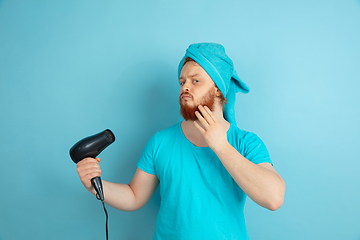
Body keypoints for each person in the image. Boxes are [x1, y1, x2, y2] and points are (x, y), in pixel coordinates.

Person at [77, 43, 286, 239]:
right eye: (182, 81)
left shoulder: (246, 143)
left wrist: (221, 146)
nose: (185, 87)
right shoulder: (160, 142)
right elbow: (134, 196)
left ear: (218, 89)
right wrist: (95, 186)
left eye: (196, 81)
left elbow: (274, 198)